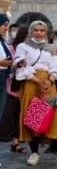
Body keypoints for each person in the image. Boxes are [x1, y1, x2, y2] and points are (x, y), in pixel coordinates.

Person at [15, 21, 57, 167]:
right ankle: (34, 153)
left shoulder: (50, 48)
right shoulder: (23, 47)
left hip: (48, 85)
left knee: (53, 119)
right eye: (36, 30)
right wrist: (37, 81)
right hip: (31, 84)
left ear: (46, 33)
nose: (39, 33)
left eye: (42, 30)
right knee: (34, 120)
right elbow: (20, 66)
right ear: (30, 31)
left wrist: (50, 80)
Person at [0, 25, 27, 153]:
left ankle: (16, 142)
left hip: (26, 87)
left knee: (20, 115)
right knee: (8, 113)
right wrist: (16, 65)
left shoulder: (36, 50)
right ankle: (5, 138)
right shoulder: (10, 48)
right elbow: (9, 65)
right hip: (11, 86)